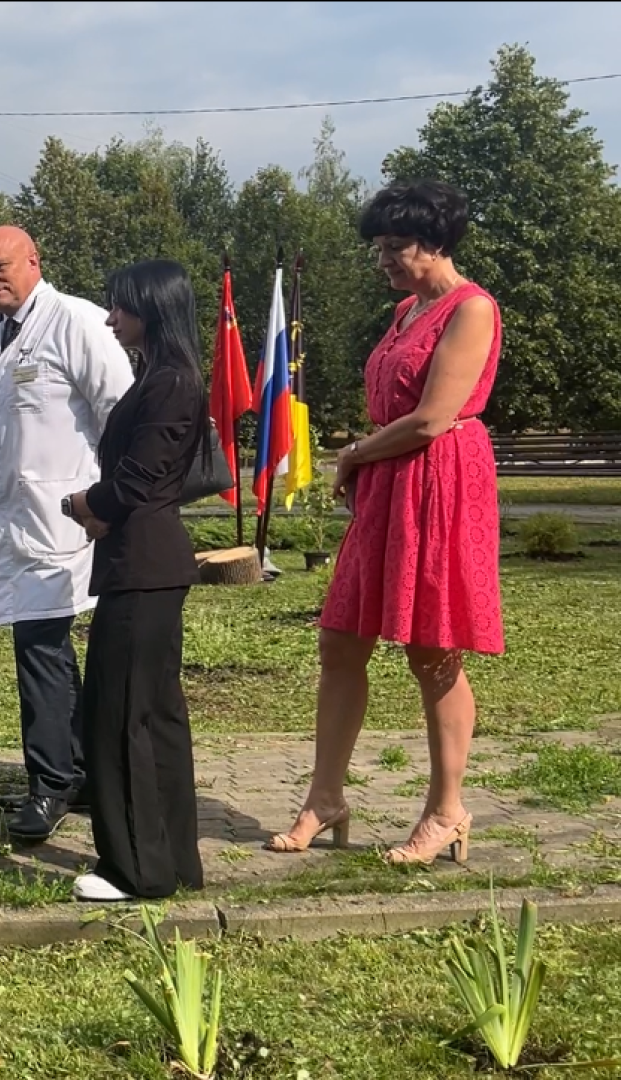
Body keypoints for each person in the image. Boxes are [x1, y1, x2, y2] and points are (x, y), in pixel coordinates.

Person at [268, 180, 504, 866]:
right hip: (388, 486)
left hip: (439, 483)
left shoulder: (473, 309)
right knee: (341, 642)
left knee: (433, 649)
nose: (385, 260)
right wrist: (367, 460)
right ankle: (326, 796)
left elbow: (434, 418)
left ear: (435, 244)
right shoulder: (406, 310)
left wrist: (356, 453)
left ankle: (447, 811)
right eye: (379, 248)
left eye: (396, 247)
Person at [0, 225, 135, 843]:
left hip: (70, 518)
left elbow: (120, 414)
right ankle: (76, 774)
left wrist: (108, 502)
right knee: (43, 648)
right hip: (19, 523)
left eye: (0, 266)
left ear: (34, 260)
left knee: (41, 650)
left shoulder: (77, 323)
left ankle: (51, 785)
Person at [62, 260, 208, 902]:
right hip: (140, 561)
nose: (109, 317)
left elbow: (138, 483)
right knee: (155, 716)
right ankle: (173, 860)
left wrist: (83, 504)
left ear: (151, 308)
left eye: (120, 307)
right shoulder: (159, 376)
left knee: (119, 716)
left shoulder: (171, 382)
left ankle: (134, 869)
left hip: (143, 565)